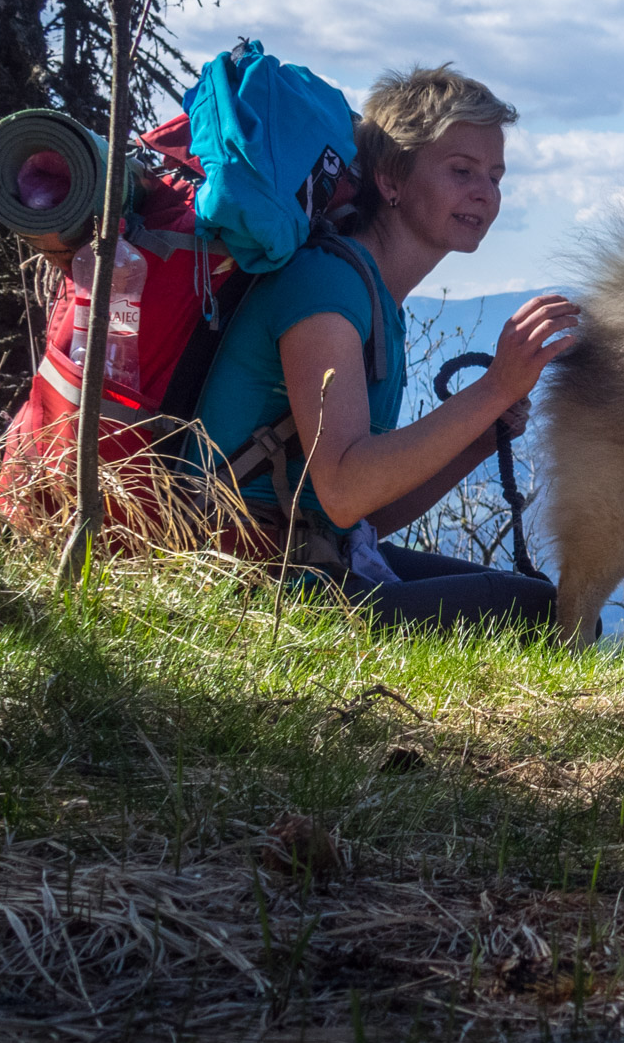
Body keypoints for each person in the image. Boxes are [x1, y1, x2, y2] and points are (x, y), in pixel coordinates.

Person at [193, 65, 576, 630]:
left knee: (559, 610)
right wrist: (495, 389)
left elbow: (360, 514)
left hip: (307, 561)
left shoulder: (373, 299)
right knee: (551, 616)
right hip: (249, 584)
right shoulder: (324, 288)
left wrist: (477, 440)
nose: (485, 194)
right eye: (462, 171)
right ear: (391, 181)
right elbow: (346, 489)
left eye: (495, 176)